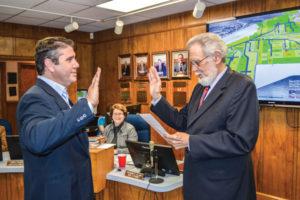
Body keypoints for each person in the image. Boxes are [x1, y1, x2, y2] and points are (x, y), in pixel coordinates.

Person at [148, 32, 259, 200]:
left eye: (196, 62)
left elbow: (241, 140)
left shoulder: (242, 86)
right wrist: (157, 97)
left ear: (216, 57)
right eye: (191, 63)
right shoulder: (201, 87)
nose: (193, 70)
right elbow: (183, 121)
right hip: (196, 180)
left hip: (223, 186)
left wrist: (190, 141)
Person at [16, 36, 101, 200]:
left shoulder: (62, 96)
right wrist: (87, 105)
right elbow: (38, 139)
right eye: (70, 59)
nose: (77, 64)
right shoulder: (34, 97)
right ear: (49, 64)